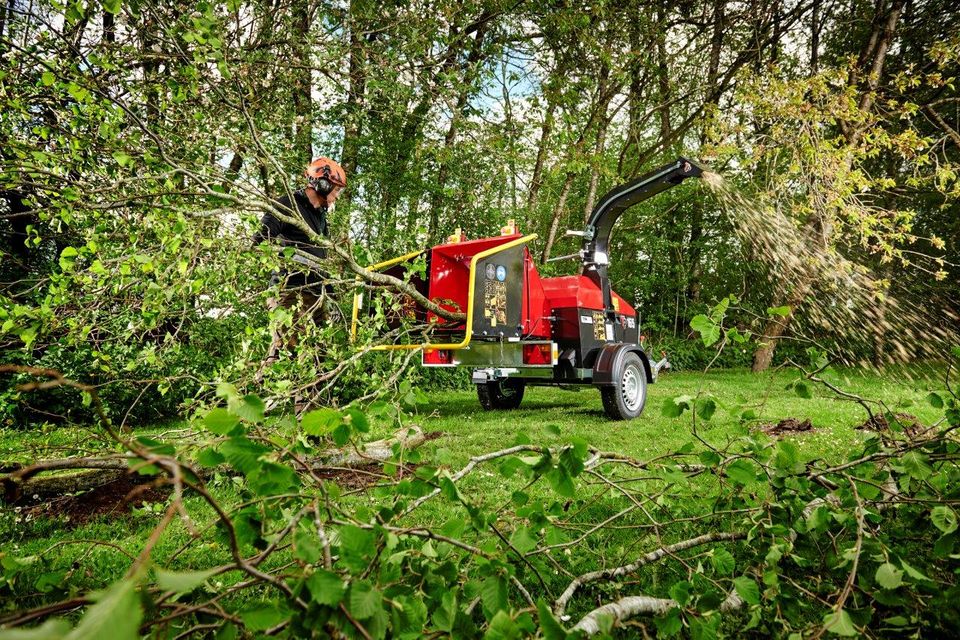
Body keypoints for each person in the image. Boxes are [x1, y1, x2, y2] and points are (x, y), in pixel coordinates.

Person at [254, 157, 347, 378]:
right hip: (288, 289)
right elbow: (260, 242)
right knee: (289, 348)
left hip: (314, 291)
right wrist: (290, 257)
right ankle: (248, 402)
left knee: (320, 351)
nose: (336, 197)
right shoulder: (287, 205)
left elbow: (321, 257)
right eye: (336, 190)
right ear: (322, 184)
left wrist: (330, 294)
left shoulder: (320, 217)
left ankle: (314, 408)